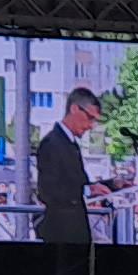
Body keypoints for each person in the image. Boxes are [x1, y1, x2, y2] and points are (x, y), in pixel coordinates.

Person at [35, 85, 104, 251]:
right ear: (74, 109)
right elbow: (48, 191)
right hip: (61, 234)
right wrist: (86, 191)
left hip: (74, 231)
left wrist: (111, 185)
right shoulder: (52, 143)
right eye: (89, 117)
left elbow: (76, 182)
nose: (91, 126)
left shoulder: (70, 143)